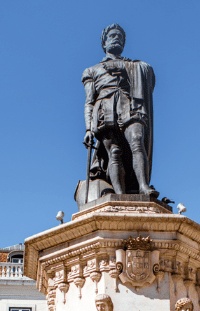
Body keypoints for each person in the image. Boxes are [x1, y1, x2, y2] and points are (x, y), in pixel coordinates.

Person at [82, 24, 155, 196]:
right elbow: (89, 102)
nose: (117, 39)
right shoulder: (92, 70)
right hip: (104, 109)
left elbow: (148, 72)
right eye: (113, 36)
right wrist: (88, 128)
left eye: (120, 37)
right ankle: (119, 195)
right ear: (104, 42)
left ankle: (143, 186)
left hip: (130, 105)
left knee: (137, 140)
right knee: (114, 152)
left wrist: (125, 68)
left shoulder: (133, 65)